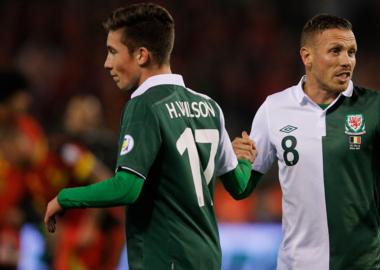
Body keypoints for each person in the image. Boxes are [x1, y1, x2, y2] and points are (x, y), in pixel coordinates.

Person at [44, 3, 256, 270]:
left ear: (142, 55)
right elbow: (239, 185)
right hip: (208, 257)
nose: (107, 63)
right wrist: (245, 159)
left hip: (164, 259)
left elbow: (127, 187)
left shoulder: (143, 106)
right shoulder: (209, 106)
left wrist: (64, 198)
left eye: (112, 52)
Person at [232, 14, 380, 270]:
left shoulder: (378, 107)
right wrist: (234, 161)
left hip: (361, 264)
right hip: (296, 264)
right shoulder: (274, 108)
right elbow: (241, 188)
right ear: (307, 57)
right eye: (335, 51)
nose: (346, 61)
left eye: (351, 52)